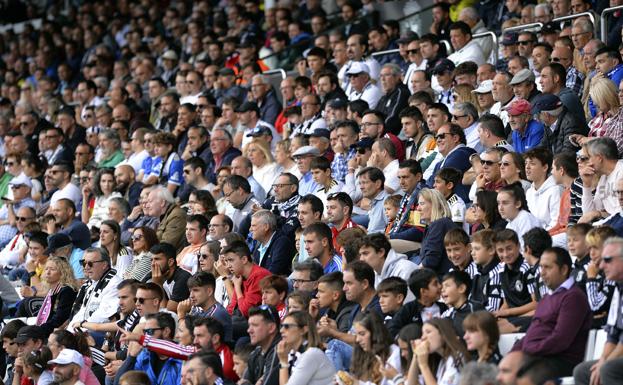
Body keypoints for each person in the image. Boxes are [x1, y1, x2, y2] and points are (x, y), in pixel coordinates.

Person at [513, 247, 592, 377]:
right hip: (539, 357)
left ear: (564, 269)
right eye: (541, 267)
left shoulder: (573, 297)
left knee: (517, 373)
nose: (542, 273)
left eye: (547, 267)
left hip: (560, 361)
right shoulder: (546, 298)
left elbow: (560, 340)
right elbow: (532, 332)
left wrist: (529, 351)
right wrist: (514, 354)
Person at [68, 247, 121, 333]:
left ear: (104, 265)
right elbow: (81, 312)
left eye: (90, 263)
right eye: (83, 263)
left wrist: (77, 332)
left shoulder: (114, 284)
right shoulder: (88, 285)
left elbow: (103, 316)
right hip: (84, 330)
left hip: (99, 334)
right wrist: (69, 331)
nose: (86, 267)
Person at [276, 311, 336, 385]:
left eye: (287, 326)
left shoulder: (312, 354)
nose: (281, 330)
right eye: (281, 326)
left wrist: (283, 362)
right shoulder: (293, 354)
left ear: (303, 330)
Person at [407, 318, 469, 385]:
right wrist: (416, 355)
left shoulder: (457, 358)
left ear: (443, 334)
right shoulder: (442, 361)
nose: (423, 337)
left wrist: (423, 365)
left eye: (428, 332)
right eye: (422, 333)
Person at [245, 305, 282, 385]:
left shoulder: (279, 351)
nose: (249, 330)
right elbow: (243, 381)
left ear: (271, 328)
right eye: (249, 325)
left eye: (255, 325)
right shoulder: (256, 352)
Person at [250, 210, 295, 275]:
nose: (250, 229)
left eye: (253, 226)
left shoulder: (282, 243)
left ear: (266, 227)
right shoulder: (258, 249)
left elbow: (273, 273)